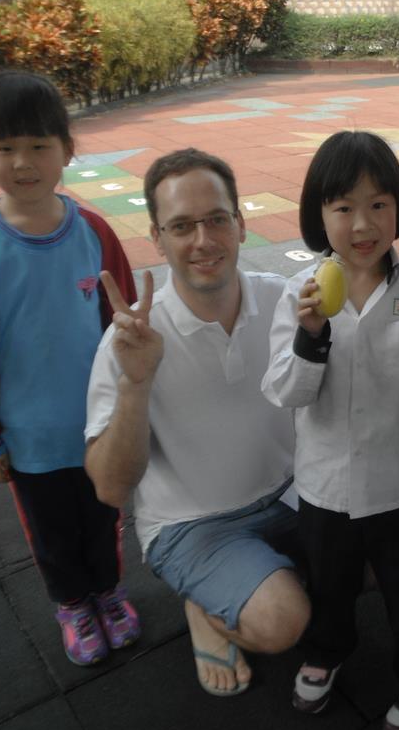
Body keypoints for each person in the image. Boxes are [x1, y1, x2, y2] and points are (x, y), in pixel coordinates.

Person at [84, 148, 310, 696]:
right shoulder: (131, 339)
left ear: (241, 224)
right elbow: (111, 488)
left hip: (291, 493)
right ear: (157, 239)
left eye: (216, 219)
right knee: (283, 622)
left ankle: (236, 587)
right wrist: (136, 383)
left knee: (383, 554)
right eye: (182, 226)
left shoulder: (282, 300)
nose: (203, 240)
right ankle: (205, 609)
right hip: (193, 525)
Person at [262, 131, 399, 730]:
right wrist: (311, 336)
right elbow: (285, 392)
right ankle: (327, 649)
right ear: (318, 215)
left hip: (398, 486)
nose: (362, 224)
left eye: (378, 204)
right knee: (329, 583)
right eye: (343, 207)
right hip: (323, 485)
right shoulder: (299, 297)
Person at [0, 70, 141, 667]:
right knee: (51, 531)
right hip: (29, 437)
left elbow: (124, 322)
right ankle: (73, 604)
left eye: (37, 145)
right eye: (4, 147)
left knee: (103, 519)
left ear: (67, 150)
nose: (22, 162)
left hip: (97, 425)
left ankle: (107, 592)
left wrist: (134, 404)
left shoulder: (93, 232)